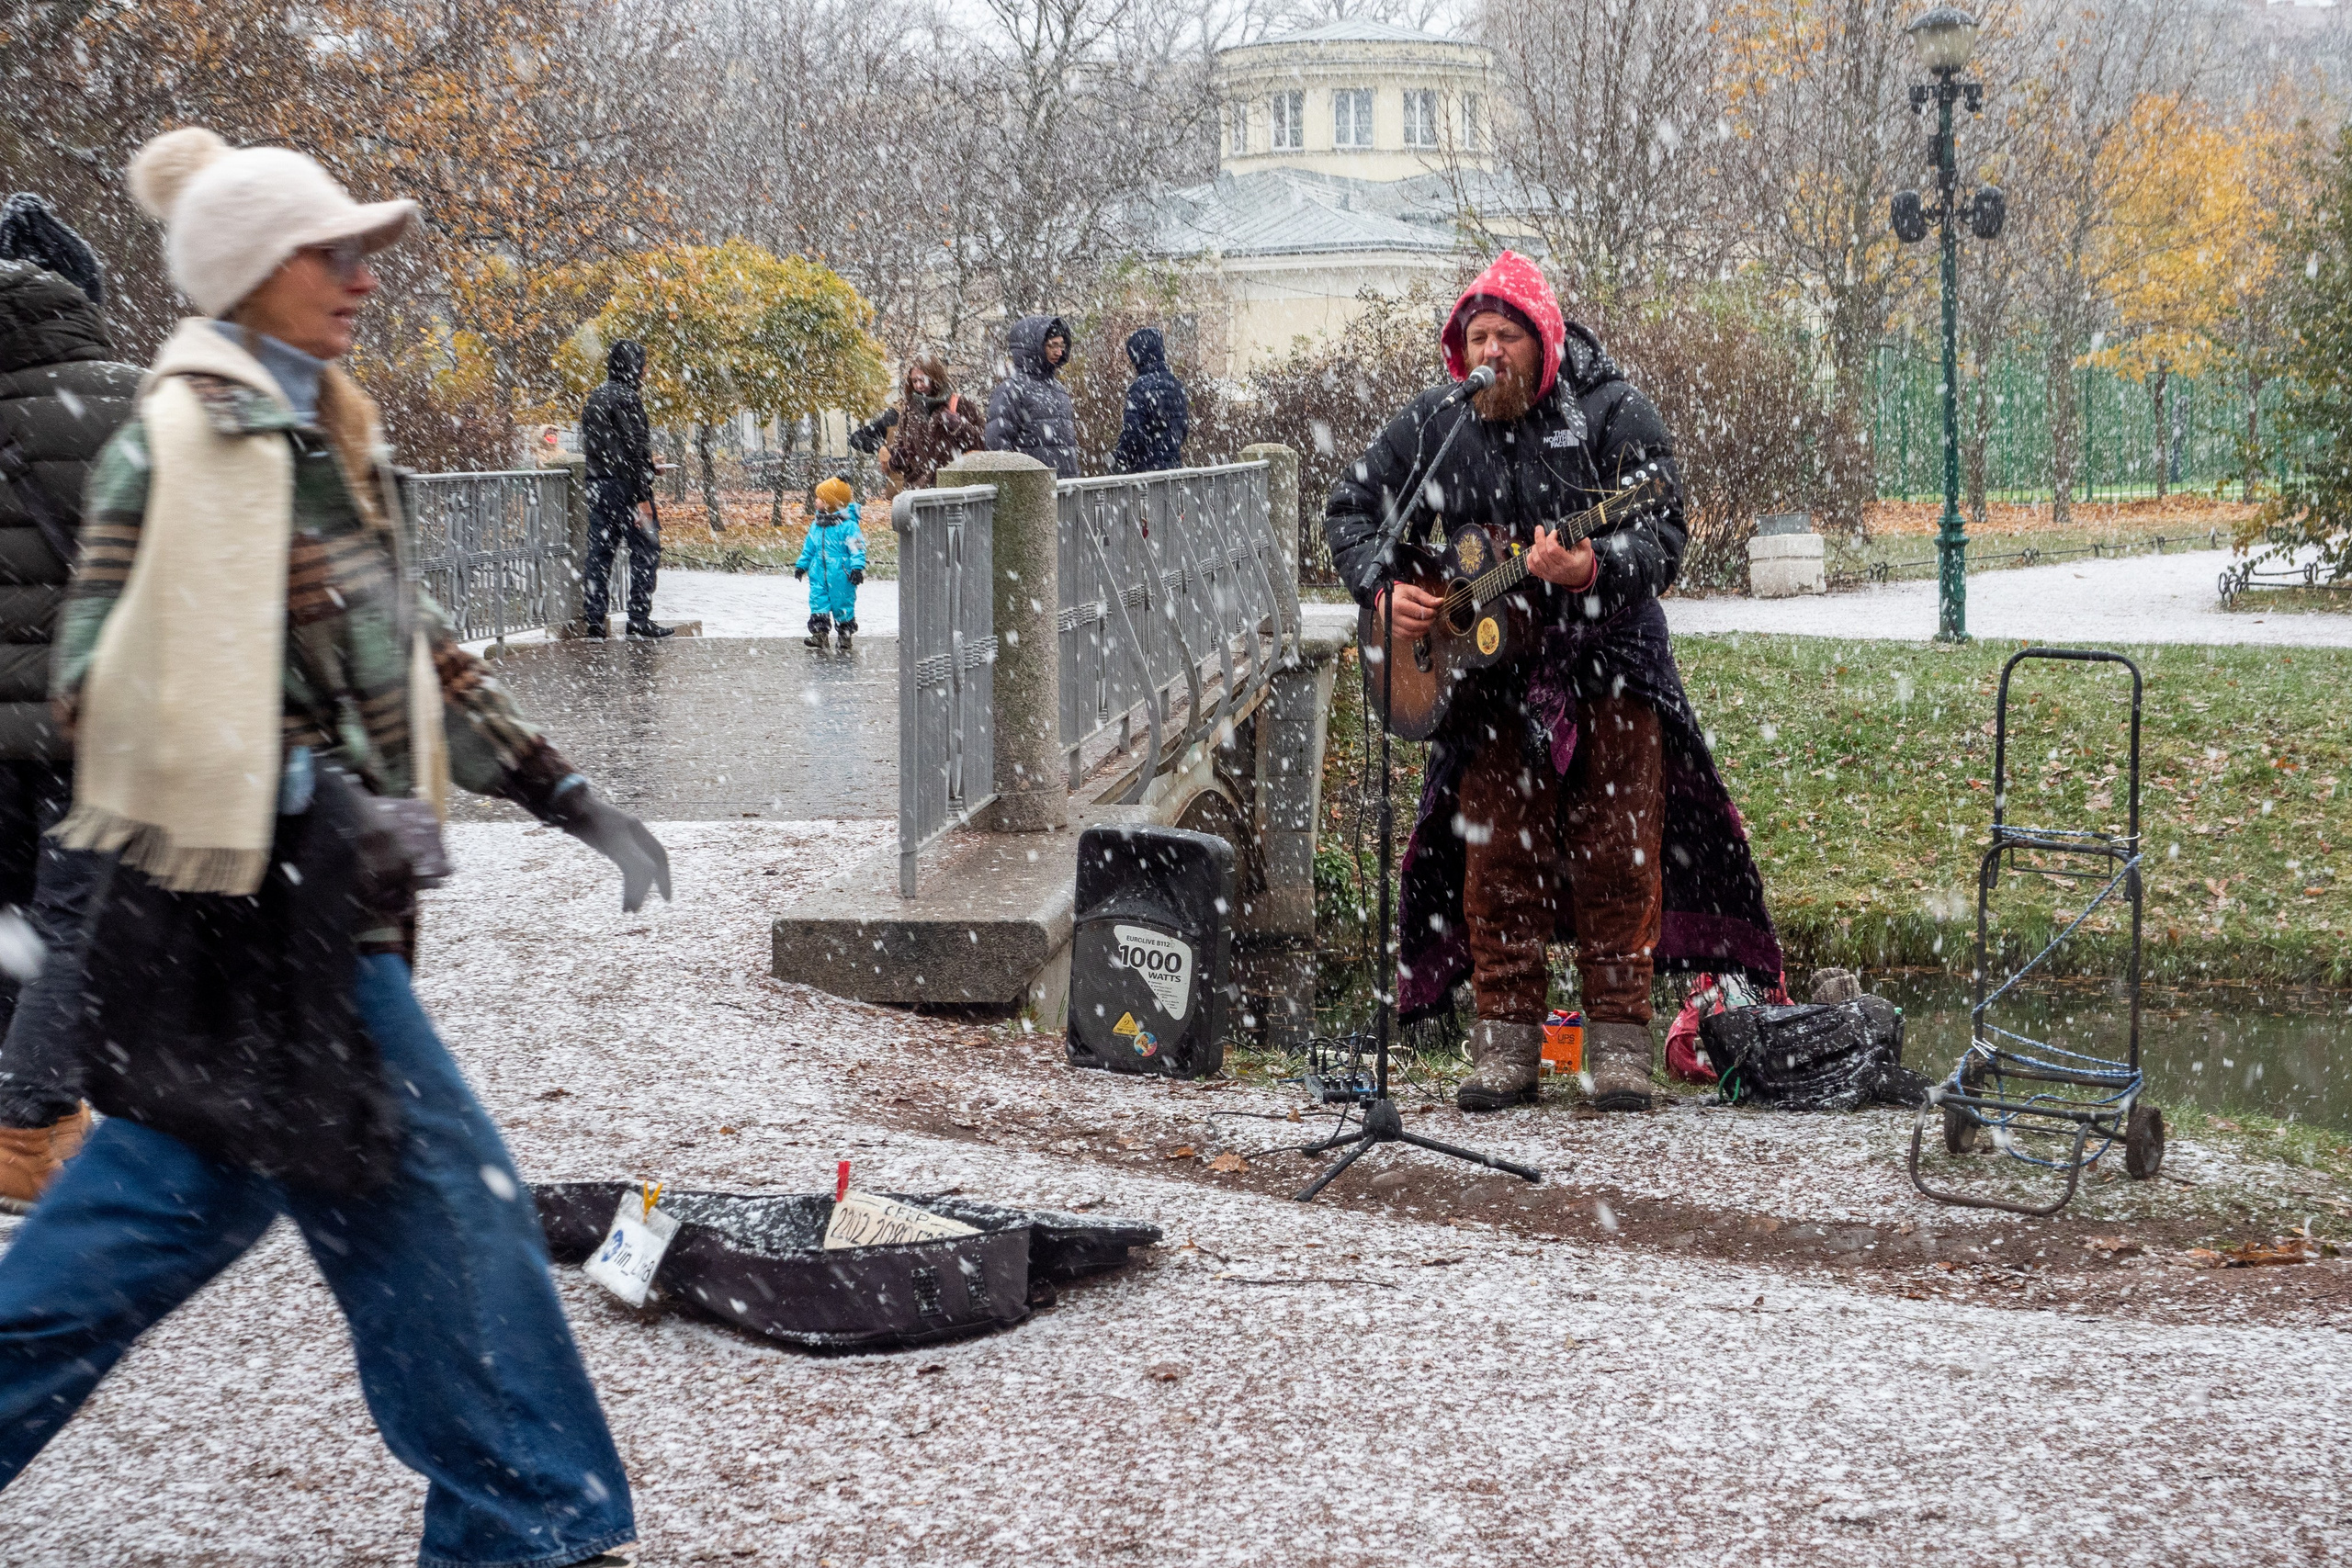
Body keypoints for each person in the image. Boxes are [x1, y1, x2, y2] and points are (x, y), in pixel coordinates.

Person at [0, 126, 666, 1567]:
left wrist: (562, 790)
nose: (364, 275)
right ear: (250, 274)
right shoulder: (187, 438)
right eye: (332, 251)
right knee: (455, 1230)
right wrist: (308, 792)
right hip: (263, 921)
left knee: (164, 1230)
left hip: (297, 926)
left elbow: (405, 652)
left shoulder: (317, 432)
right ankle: (526, 1516)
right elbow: (94, 687)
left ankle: (523, 1508)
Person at [1324, 251, 1781, 1115]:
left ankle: (1618, 1048)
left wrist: (1590, 566)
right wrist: (1383, 590)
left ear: (1545, 340)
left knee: (1620, 850)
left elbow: (1664, 534)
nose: (1488, 351)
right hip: (1484, 680)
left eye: (1505, 335)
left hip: (1610, 663)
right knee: (1498, 858)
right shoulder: (1439, 422)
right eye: (1475, 336)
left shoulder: (1614, 413)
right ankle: (1504, 1048)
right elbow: (1348, 509)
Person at [0, 197, 139, 1210]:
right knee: (76, 919)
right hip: (83, 715)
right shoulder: (130, 402)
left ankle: (37, 1115)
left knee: (14, 922)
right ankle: (24, 1123)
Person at [580, 338, 672, 639]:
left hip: (597, 485)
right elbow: (631, 452)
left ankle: (594, 619)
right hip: (627, 489)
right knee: (646, 548)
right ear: (632, 367)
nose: (645, 370)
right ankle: (638, 619)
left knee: (600, 552)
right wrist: (642, 496)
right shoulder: (629, 399)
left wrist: (644, 466)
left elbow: (604, 448)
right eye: (642, 364)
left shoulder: (595, 397)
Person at [866, 355, 983, 495]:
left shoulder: (959, 403)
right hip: (918, 492)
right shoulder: (909, 409)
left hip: (952, 490)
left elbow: (982, 442)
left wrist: (959, 426)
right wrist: (897, 460)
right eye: (914, 381)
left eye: (923, 379)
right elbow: (900, 448)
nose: (918, 385)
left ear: (935, 377)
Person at [985, 313, 1080, 479]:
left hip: (1064, 492)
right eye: (1052, 345)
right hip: (1032, 492)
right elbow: (998, 447)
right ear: (1034, 347)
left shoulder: (1059, 390)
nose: (1059, 352)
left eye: (1062, 346)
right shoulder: (1011, 390)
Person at [795, 475, 866, 653]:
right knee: (818, 602)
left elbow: (857, 548)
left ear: (829, 502)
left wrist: (857, 567)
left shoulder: (849, 526)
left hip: (842, 573)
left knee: (843, 604)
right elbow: (809, 547)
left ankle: (845, 635)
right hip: (818, 571)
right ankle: (820, 634)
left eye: (819, 497)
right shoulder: (817, 525)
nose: (815, 500)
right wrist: (802, 565)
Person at [1111, 325, 1189, 474]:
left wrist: (1120, 459)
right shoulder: (1176, 385)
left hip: (1146, 472)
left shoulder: (1140, 387)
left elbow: (1133, 433)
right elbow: (1183, 428)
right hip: (1173, 469)